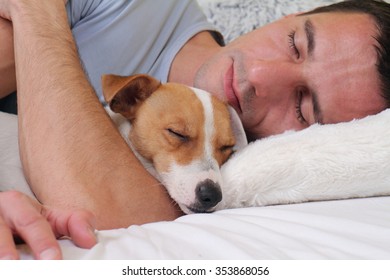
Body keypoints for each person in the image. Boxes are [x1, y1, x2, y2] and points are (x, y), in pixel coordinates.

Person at [0, 0, 389, 259]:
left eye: (303, 107)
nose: (258, 77)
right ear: (285, 17)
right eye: (295, 43)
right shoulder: (126, 6)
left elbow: (101, 216)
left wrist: (37, 13)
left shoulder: (211, 176)